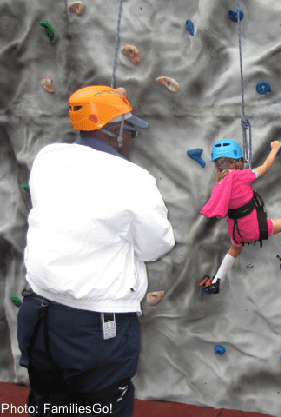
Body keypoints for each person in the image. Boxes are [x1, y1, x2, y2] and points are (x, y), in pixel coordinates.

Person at [17, 85, 175, 417]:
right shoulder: (134, 179)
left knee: (49, 406)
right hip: (95, 327)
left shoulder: (48, 158)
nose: (132, 138)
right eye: (130, 129)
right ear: (113, 129)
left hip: (38, 315)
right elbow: (157, 245)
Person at [199, 138, 281, 294]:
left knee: (235, 249)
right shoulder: (240, 176)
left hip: (236, 231)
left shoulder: (220, 183)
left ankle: (216, 281)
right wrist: (274, 149)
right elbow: (265, 168)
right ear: (237, 161)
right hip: (252, 228)